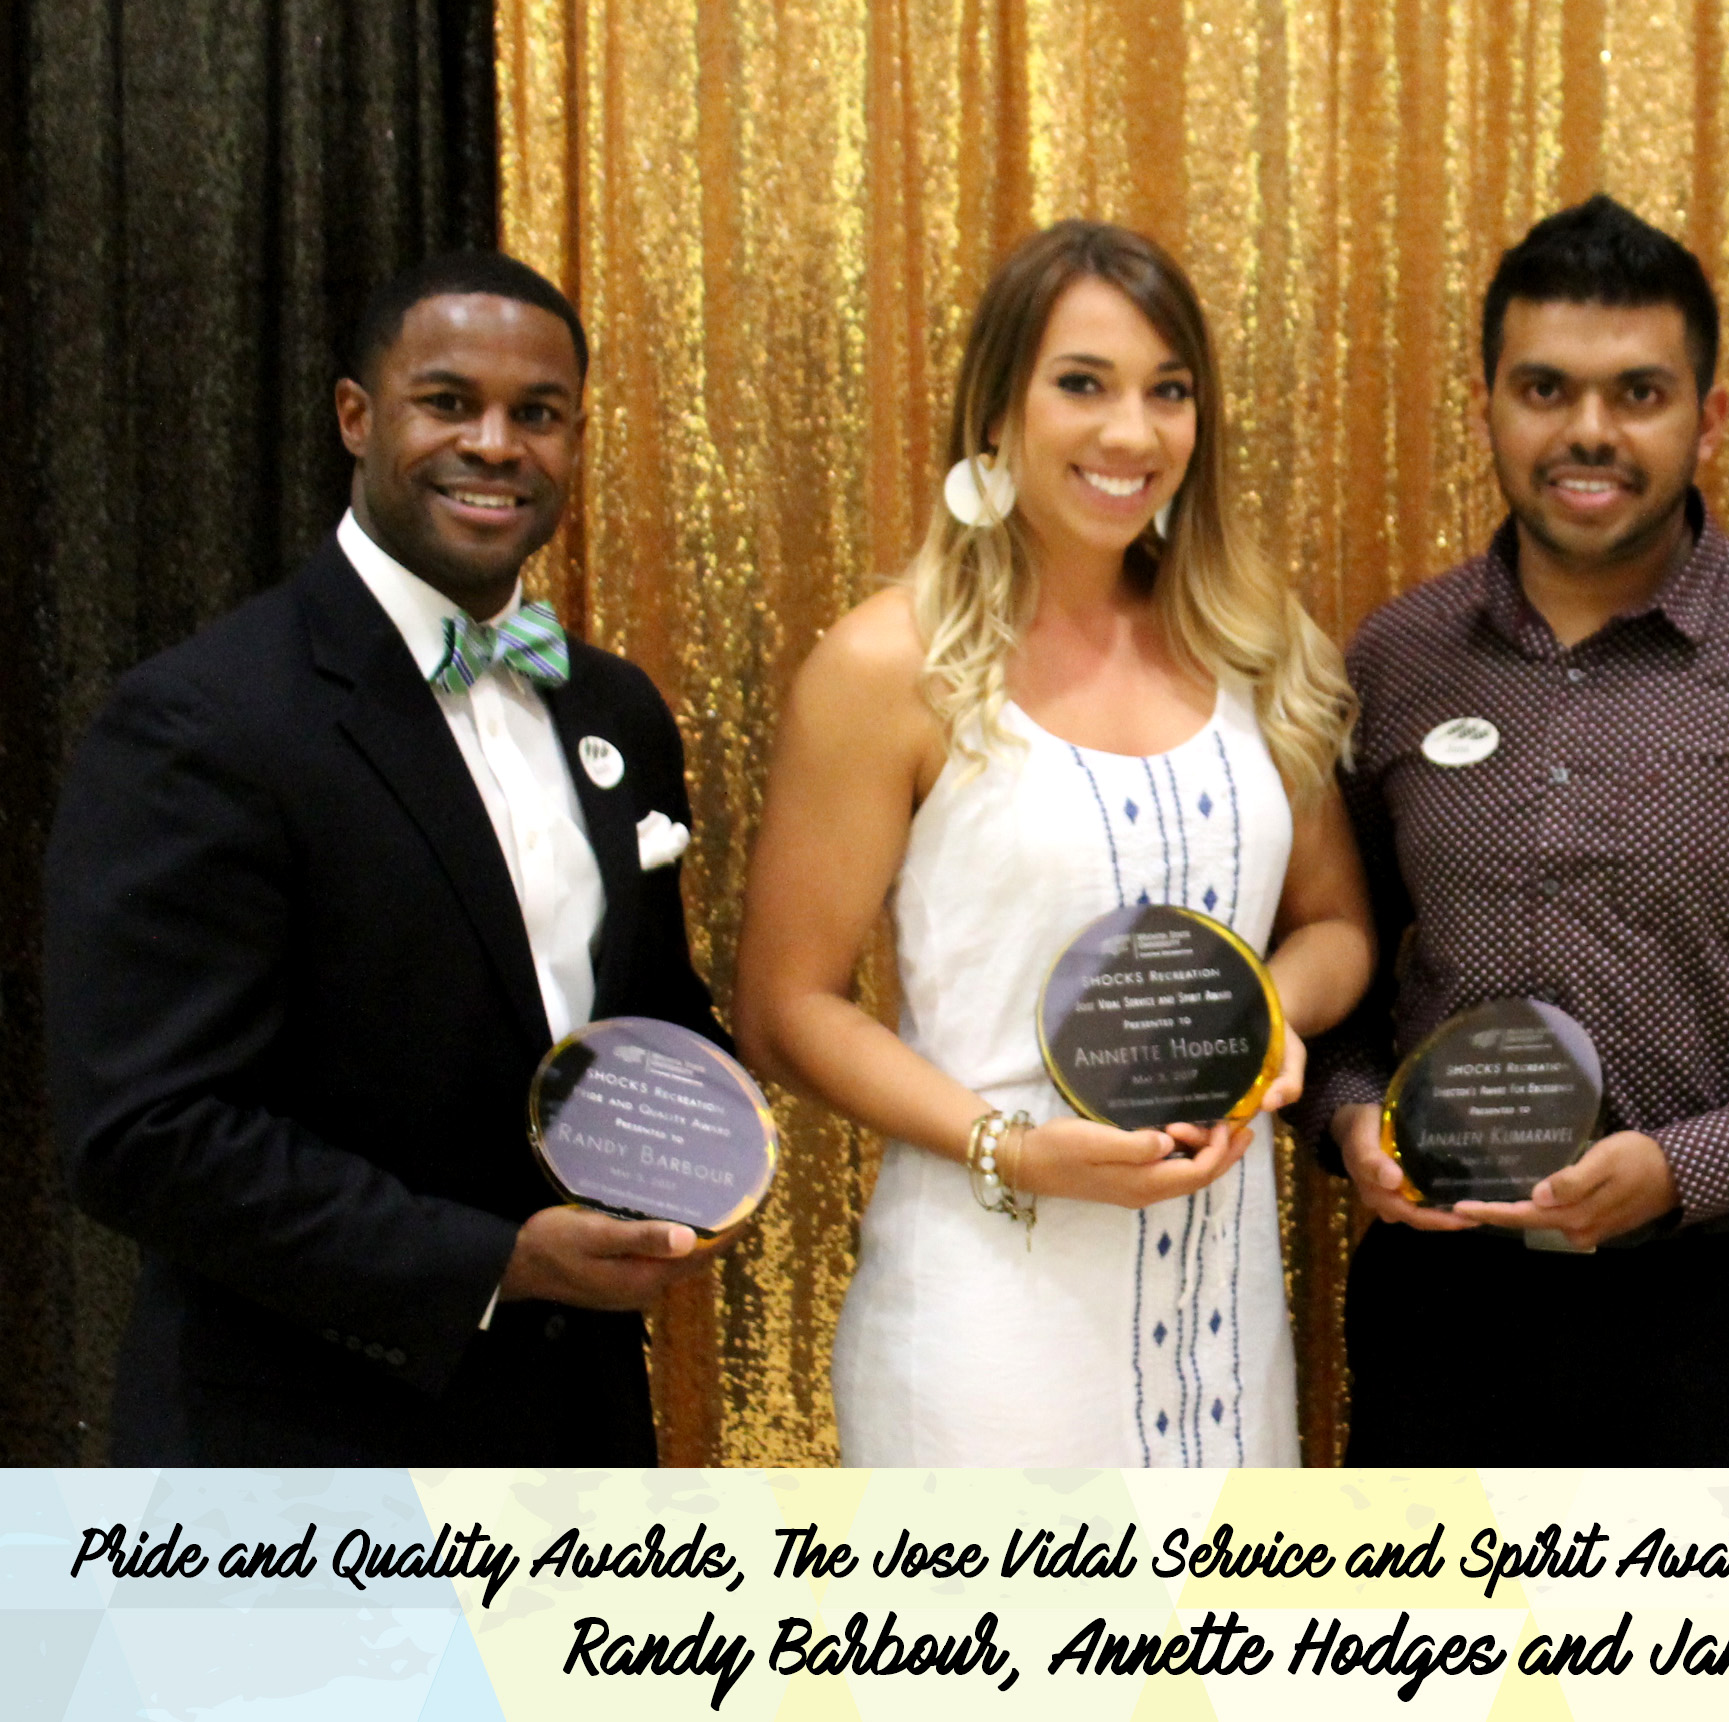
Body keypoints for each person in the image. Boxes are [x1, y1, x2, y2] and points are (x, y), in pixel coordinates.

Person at [1300, 195, 1729, 1464]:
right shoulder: (1396, 661)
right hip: (1442, 1318)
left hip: (1723, 1321)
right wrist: (1350, 1117)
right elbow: (1333, 961)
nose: (1587, 432)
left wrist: (1689, 1163)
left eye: (1636, 393)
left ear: (1706, 416)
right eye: (1544, 389)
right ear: (1486, 408)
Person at [45, 252, 729, 1465]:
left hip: (576, 1443)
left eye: (540, 414)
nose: (498, 444)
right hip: (293, 1450)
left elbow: (647, 1012)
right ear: (357, 418)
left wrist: (708, 1151)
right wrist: (496, 1265)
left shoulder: (614, 710)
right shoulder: (204, 722)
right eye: (449, 403)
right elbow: (146, 1133)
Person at [737, 221, 1369, 1466]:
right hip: (987, 1328)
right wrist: (1008, 1149)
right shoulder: (889, 665)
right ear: (996, 408)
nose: (1129, 433)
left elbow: (1336, 925)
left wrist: (1258, 1025)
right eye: (1082, 384)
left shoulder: (1250, 642)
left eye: (1166, 391)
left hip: (1223, 1330)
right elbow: (784, 1005)